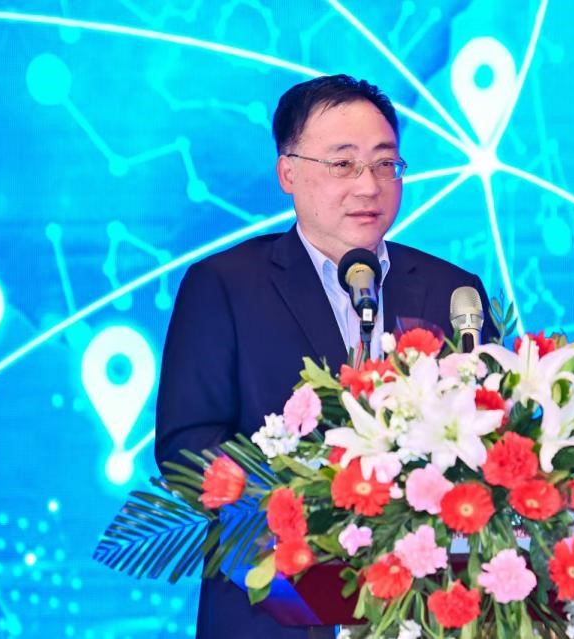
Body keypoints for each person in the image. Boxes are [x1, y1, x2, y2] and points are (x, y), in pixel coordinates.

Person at [154, 74, 496, 638]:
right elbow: (187, 446)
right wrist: (316, 506)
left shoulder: (452, 291)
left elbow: (494, 430)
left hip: (428, 610)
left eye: (385, 164)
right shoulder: (224, 286)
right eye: (343, 164)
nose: (369, 185)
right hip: (274, 611)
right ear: (288, 172)